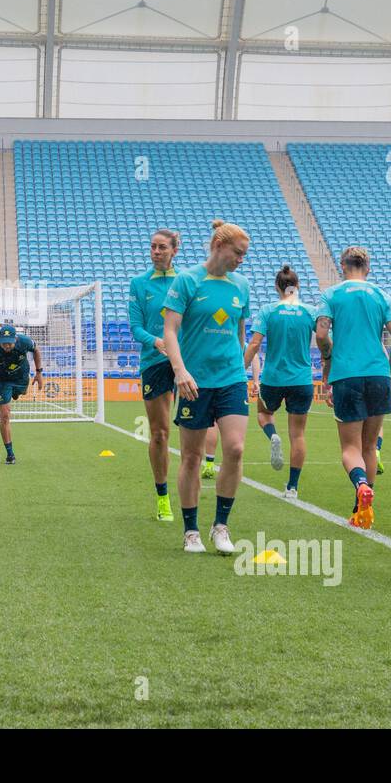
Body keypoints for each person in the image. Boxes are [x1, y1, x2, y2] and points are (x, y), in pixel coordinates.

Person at [163, 220, 252, 556]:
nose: (241, 260)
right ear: (218, 245)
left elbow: (240, 332)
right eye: (238, 253)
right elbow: (170, 330)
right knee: (191, 457)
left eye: (245, 255)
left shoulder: (241, 285)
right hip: (194, 382)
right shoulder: (187, 281)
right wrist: (180, 370)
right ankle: (190, 531)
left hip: (231, 378)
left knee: (236, 449)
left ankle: (221, 526)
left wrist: (243, 370)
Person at [126, 229, 218, 521]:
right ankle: (162, 495)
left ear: (174, 250)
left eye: (162, 247)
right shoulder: (139, 284)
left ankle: (191, 494)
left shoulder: (188, 281)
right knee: (160, 433)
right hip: (154, 361)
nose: (156, 251)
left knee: (194, 430)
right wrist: (157, 341)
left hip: (188, 361)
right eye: (152, 247)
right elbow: (135, 327)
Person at [316, 247, 391, 530]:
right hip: (378, 373)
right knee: (369, 445)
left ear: (343, 266)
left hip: (347, 375)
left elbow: (321, 334)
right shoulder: (381, 295)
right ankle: (363, 511)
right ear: (368, 267)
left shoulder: (332, 295)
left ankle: (361, 485)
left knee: (350, 448)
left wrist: (328, 360)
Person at [242, 265, 318, 500]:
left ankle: (273, 435)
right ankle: (292, 486)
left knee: (264, 414)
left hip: (273, 378)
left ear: (277, 286)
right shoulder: (310, 311)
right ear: (297, 286)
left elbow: (254, 344)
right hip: (302, 379)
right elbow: (325, 339)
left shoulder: (268, 310)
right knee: (298, 435)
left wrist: (240, 369)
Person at [0, 323, 44, 464]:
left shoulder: (24, 341)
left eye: (9, 343)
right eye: (4, 343)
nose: (6, 346)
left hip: (21, 378)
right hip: (2, 381)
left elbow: (36, 350)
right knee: (5, 415)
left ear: (16, 339)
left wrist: (39, 373)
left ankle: (17, 393)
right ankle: (10, 454)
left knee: (21, 393)